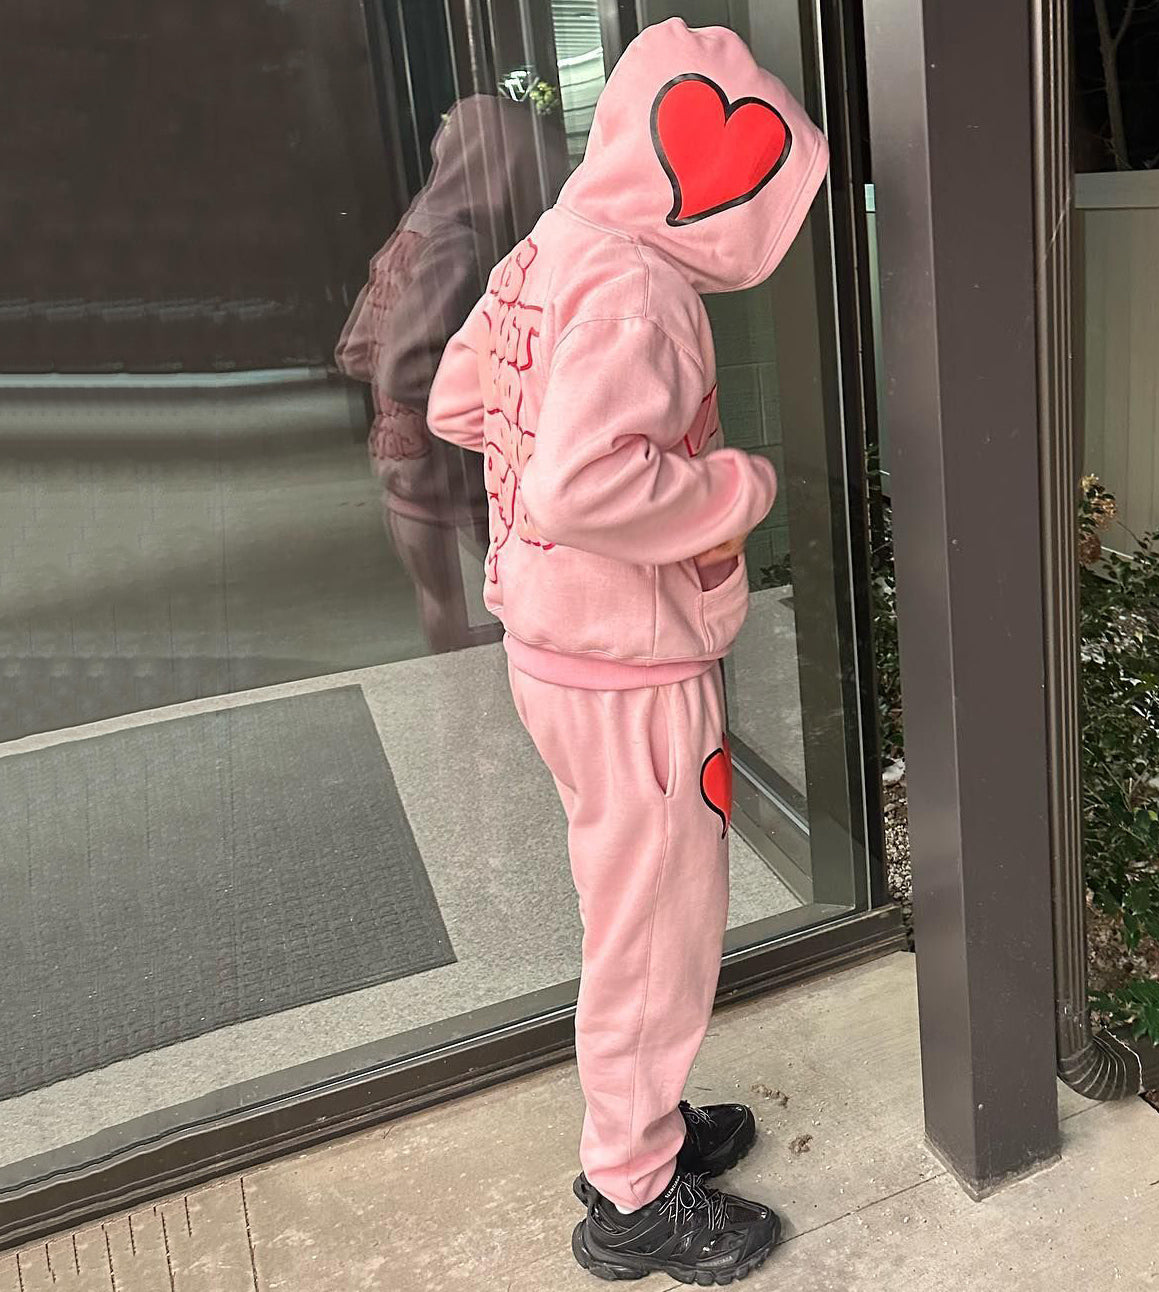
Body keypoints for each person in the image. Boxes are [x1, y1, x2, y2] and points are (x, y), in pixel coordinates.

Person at [429, 19, 827, 1283]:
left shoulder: (549, 248)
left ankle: (637, 1126)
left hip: (556, 653)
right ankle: (633, 1193)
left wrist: (548, 444)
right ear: (709, 184)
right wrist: (732, 489)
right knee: (655, 934)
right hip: (630, 672)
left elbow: (457, 399)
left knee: (629, 913)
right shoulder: (638, 286)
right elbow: (585, 483)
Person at [337, 93, 567, 651]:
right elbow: (405, 369)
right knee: (494, 614)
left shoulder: (413, 232)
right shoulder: (460, 245)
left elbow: (355, 350)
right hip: (449, 476)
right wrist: (505, 382)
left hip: (401, 466)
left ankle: (461, 700)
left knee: (441, 608)